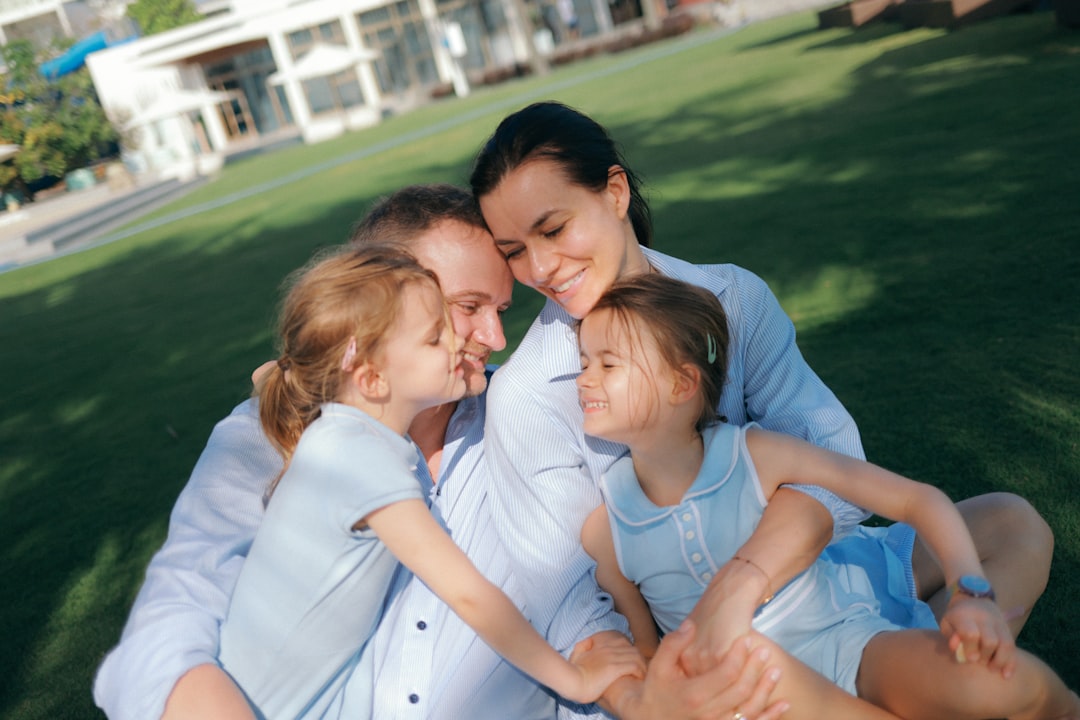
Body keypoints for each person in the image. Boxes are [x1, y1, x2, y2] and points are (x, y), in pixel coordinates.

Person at [94, 184, 788, 720]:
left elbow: (571, 596)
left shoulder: (512, 427)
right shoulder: (263, 439)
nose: (491, 336)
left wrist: (640, 696)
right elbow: (166, 631)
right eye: (462, 309)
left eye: (501, 311)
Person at [468, 100, 1054, 708]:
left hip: (818, 583)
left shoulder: (733, 297)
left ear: (614, 192)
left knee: (1012, 525)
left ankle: (912, 681)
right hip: (714, 650)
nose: (539, 267)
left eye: (554, 229)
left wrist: (746, 578)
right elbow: (572, 606)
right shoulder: (530, 396)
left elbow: (832, 452)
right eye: (513, 250)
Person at [577, 273, 1080, 720]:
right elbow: (648, 652)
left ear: (680, 382)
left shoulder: (753, 454)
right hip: (757, 698)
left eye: (608, 363)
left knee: (994, 685)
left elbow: (915, 500)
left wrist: (972, 595)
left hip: (849, 644)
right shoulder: (606, 529)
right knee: (754, 660)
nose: (585, 379)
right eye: (583, 361)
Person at [215, 243, 646, 716]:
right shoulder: (359, 459)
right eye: (432, 339)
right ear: (372, 376)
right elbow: (470, 595)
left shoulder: (335, 428)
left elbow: (273, 374)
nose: (458, 346)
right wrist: (577, 681)